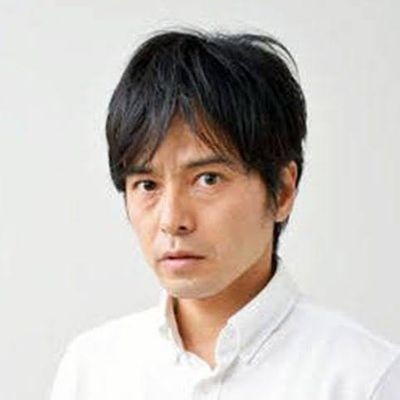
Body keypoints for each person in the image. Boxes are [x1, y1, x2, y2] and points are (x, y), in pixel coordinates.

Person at [50, 29, 400, 399]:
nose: (172, 220)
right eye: (147, 185)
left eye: (208, 179)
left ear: (282, 191)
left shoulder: (365, 378)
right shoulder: (92, 370)